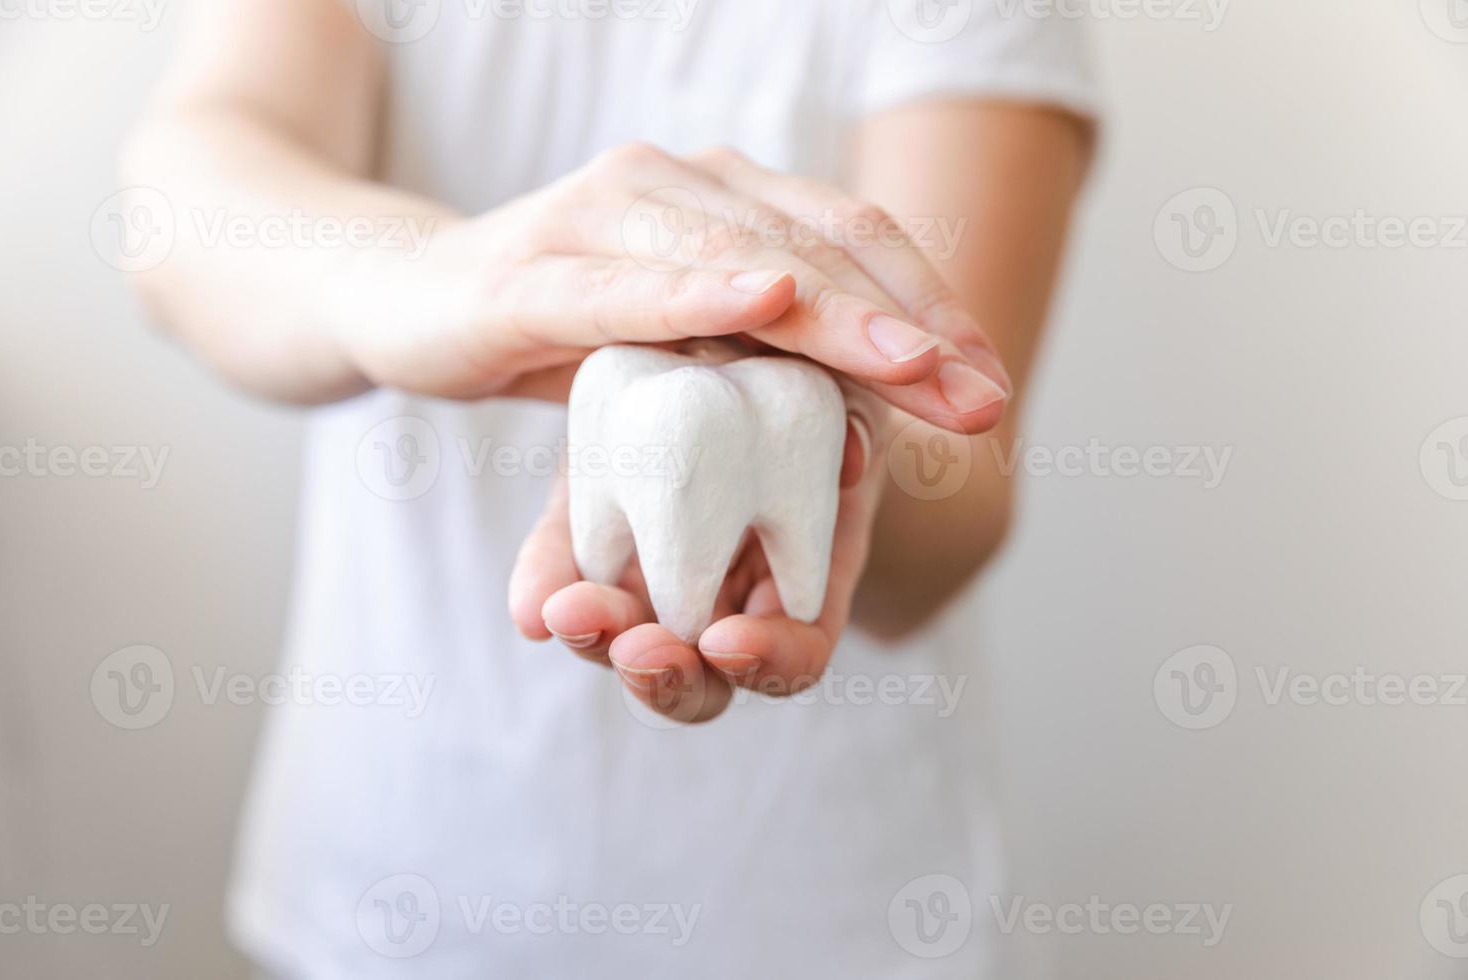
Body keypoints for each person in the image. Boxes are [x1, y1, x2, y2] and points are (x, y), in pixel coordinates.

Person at [123, 0, 1097, 975]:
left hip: (833, 910)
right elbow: (182, 204)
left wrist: (830, 430)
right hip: (394, 887)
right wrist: (450, 278)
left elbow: (964, 486)